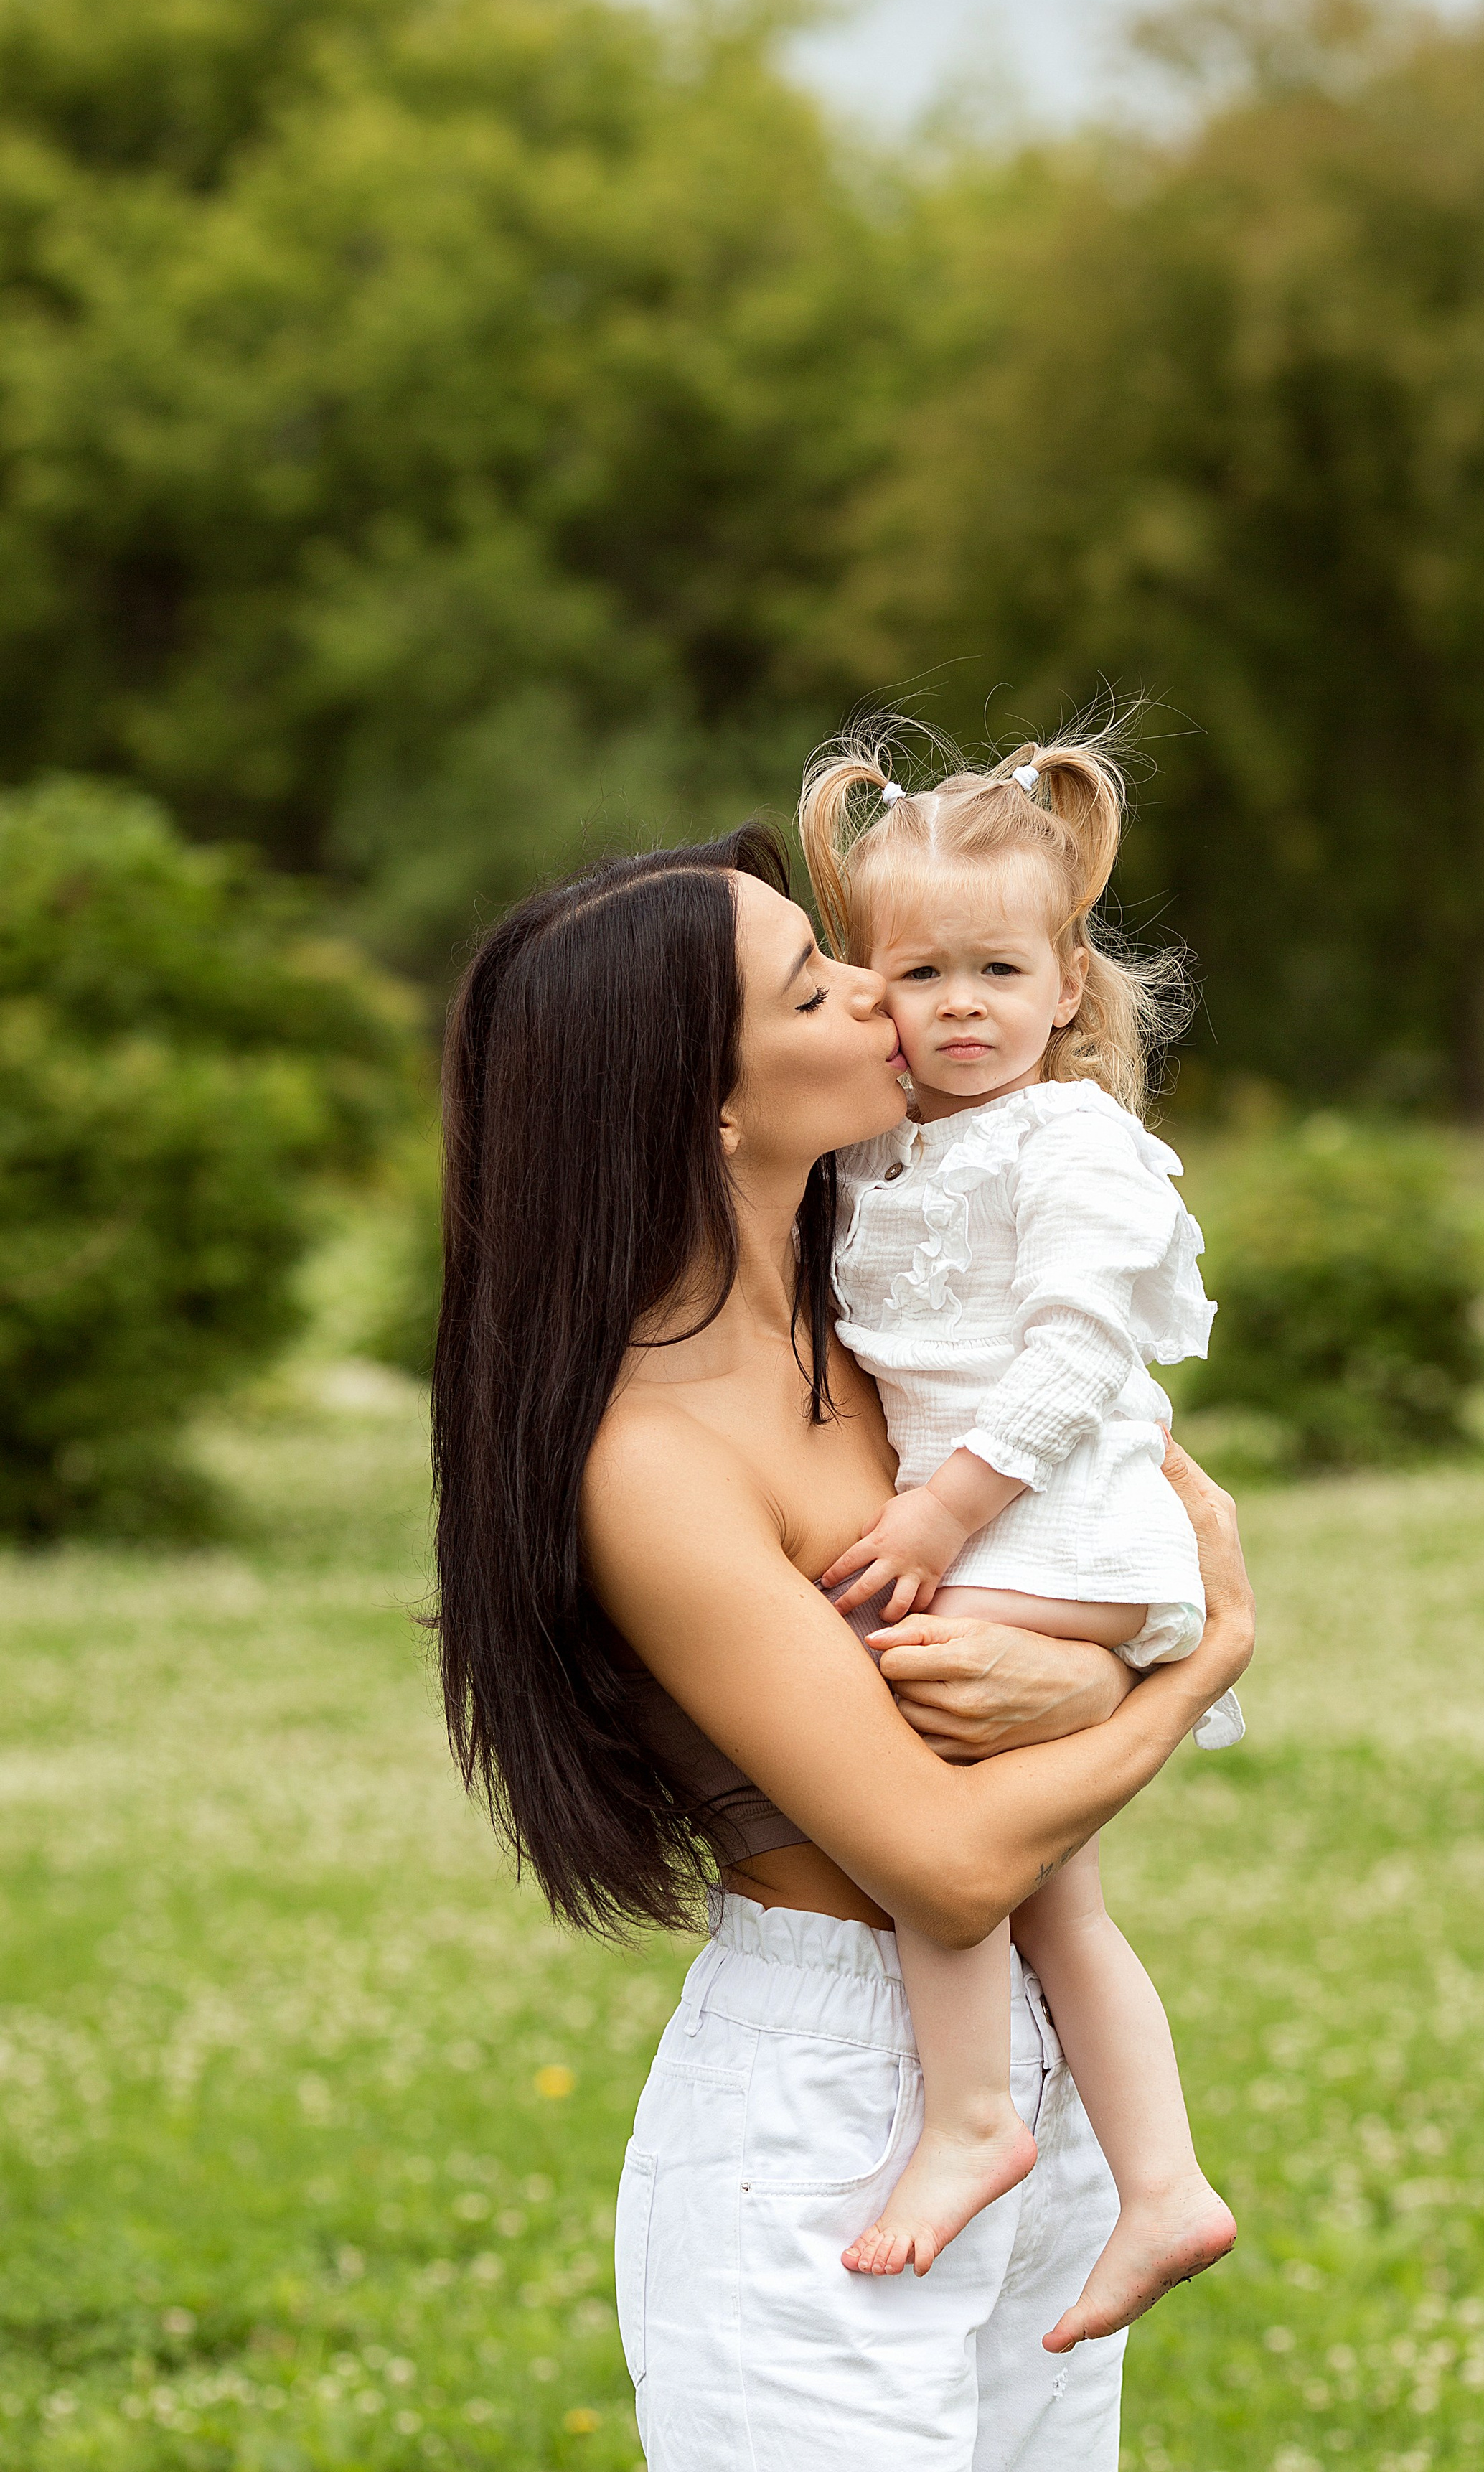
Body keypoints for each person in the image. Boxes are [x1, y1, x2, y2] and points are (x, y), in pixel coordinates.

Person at [431, 821, 1254, 2472]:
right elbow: (946, 1868)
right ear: (709, 1107)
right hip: (822, 2133)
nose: (885, 997)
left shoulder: (880, 1325)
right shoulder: (651, 1458)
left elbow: (1079, 1563)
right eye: (819, 987)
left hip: (1032, 2085)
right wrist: (1200, 1661)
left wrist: (1091, 1672)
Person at [799, 726, 1241, 2333]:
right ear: (868, 989)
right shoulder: (883, 1148)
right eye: (920, 972)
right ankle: (1161, 2181)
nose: (962, 1003)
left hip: (1047, 1525)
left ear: (1068, 984)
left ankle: (975, 2116)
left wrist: (942, 1510)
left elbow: (1075, 1351)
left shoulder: (1070, 1144)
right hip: (1000, 1531)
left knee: (935, 1820)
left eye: (1000, 967)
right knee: (1054, 1893)